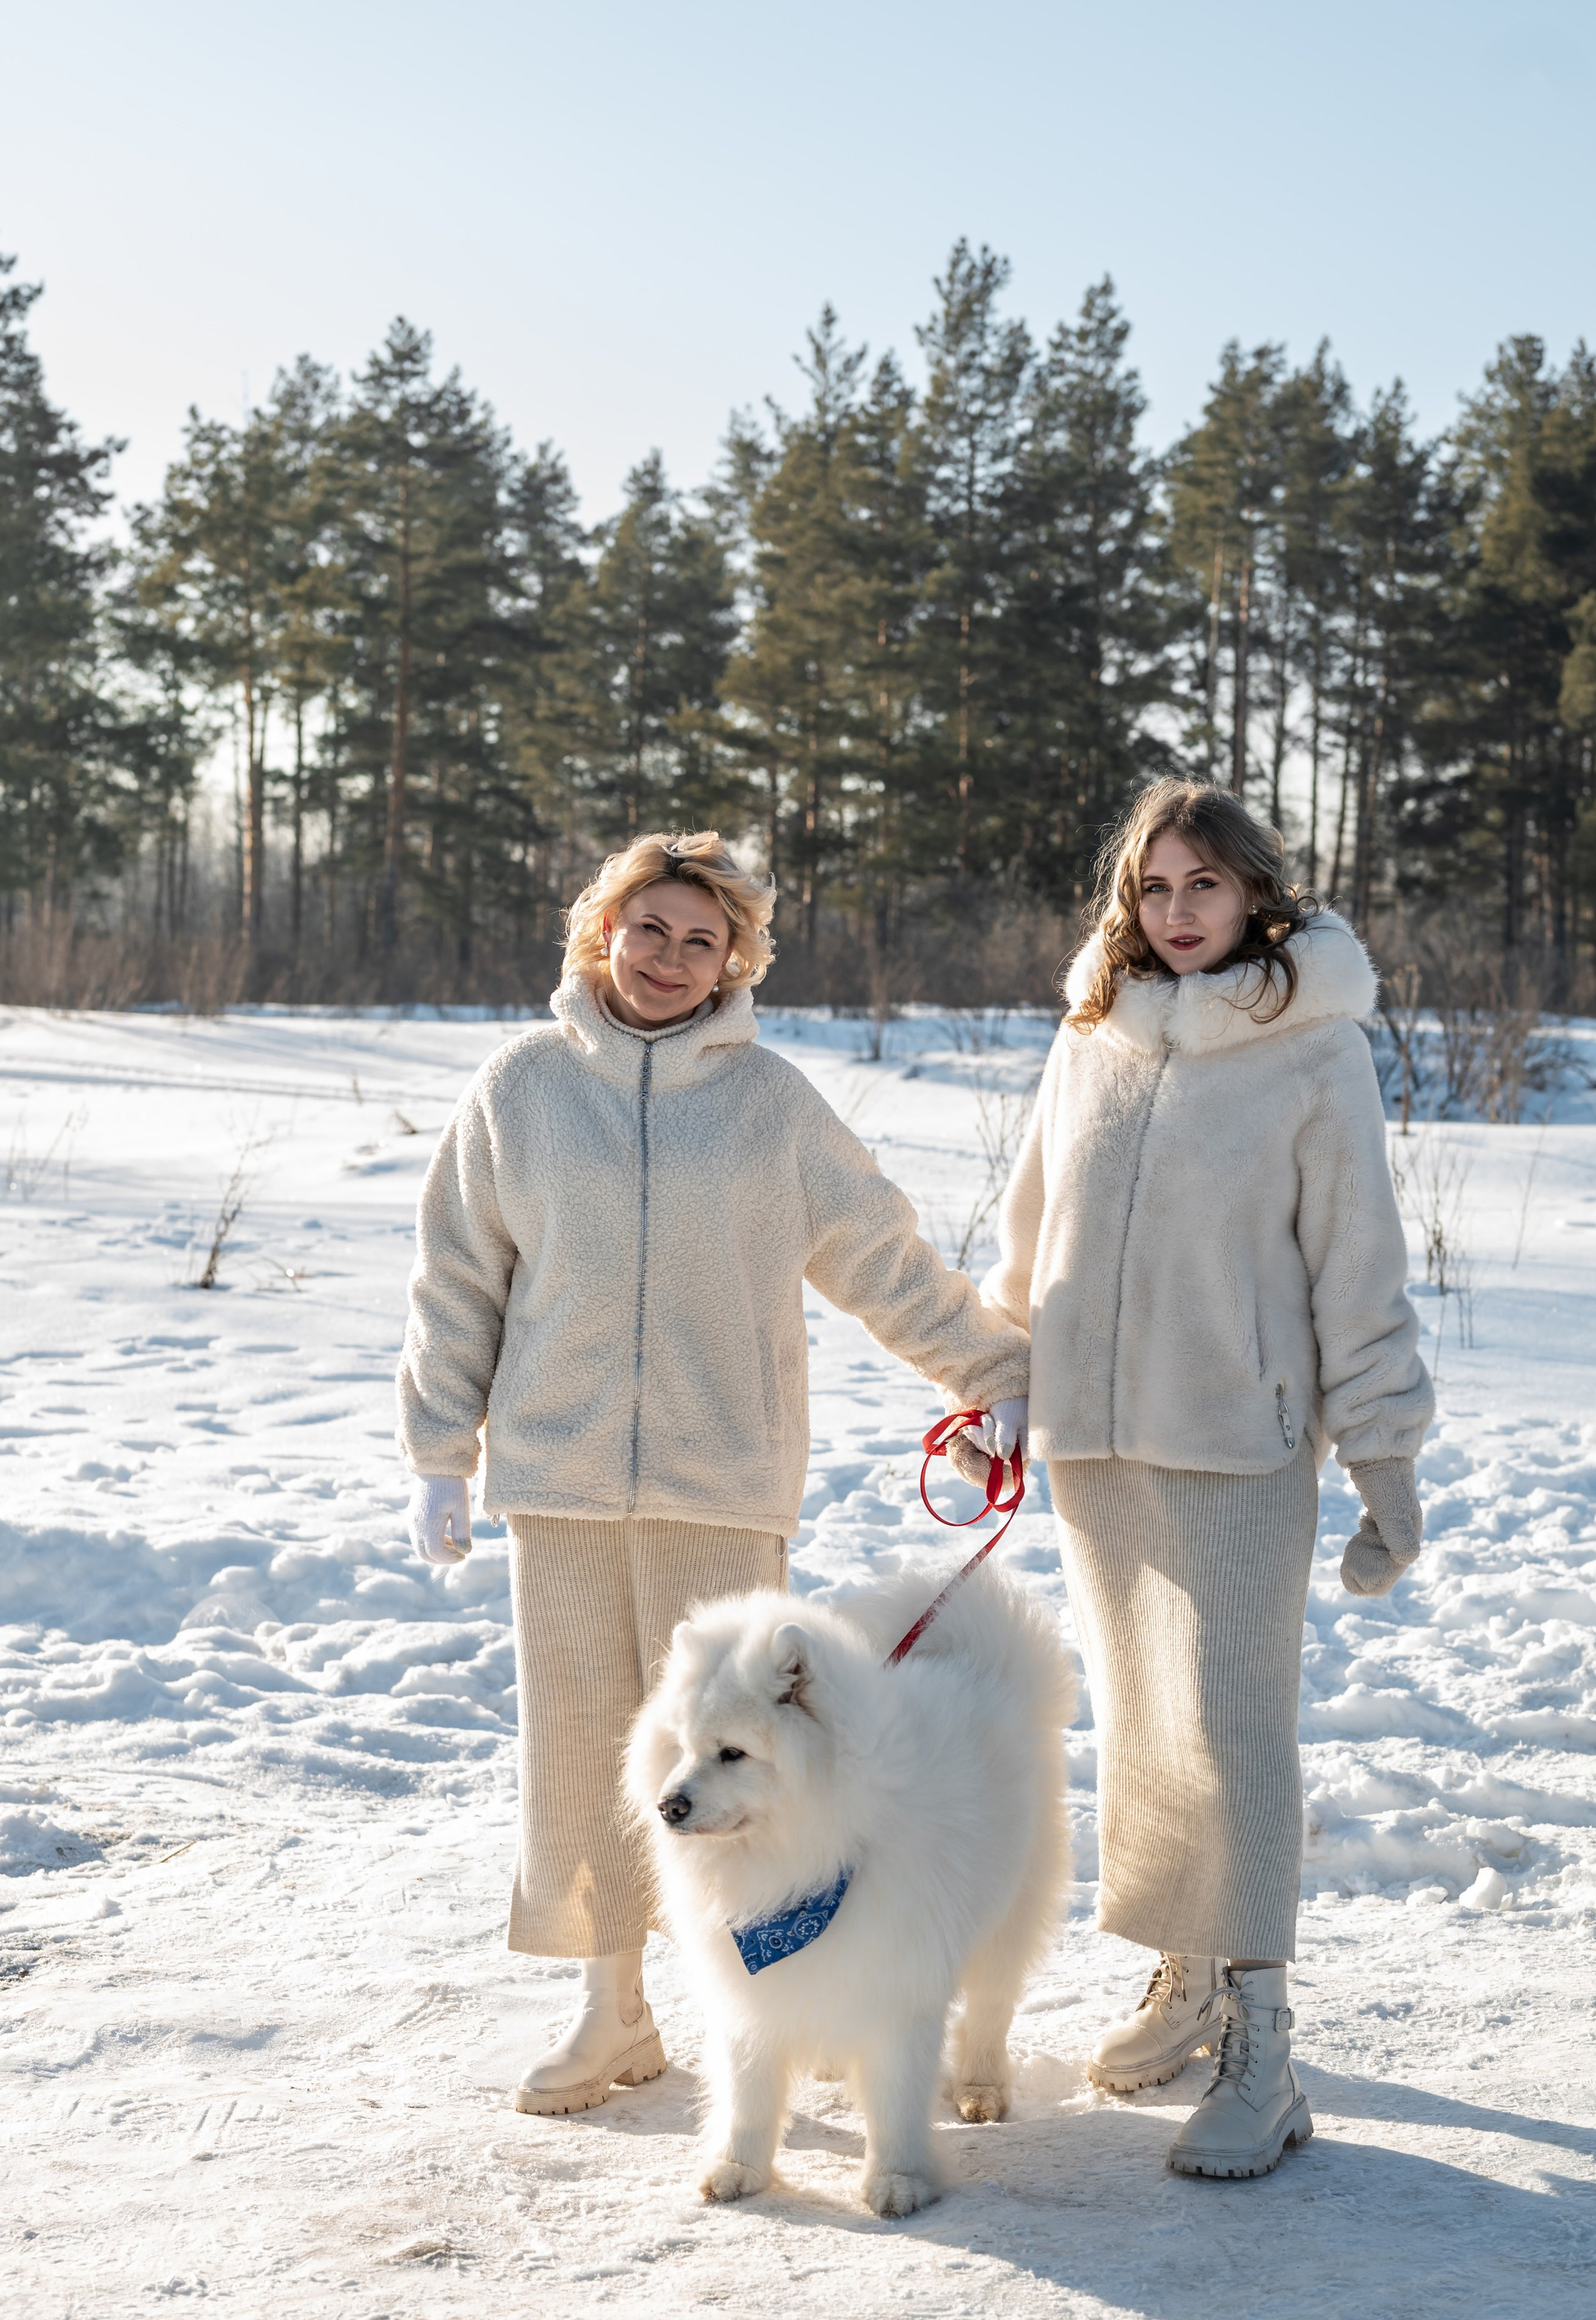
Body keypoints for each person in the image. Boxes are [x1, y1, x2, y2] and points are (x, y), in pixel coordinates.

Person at [397, 829, 1029, 2117]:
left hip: (719, 1484)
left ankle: (814, 2008)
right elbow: (458, 1279)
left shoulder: (770, 1106)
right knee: (583, 1759)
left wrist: (988, 1369)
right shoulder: (518, 1090)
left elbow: (878, 1253)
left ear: (734, 958)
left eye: (702, 940)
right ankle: (610, 2010)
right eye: (651, 930)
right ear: (601, 932)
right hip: (562, 1488)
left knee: (757, 1760)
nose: (672, 958)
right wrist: (438, 1451)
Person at [969, 776, 1431, 2181]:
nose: (1176, 914)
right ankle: (1189, 1973)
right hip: (1096, 1444)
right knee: (1144, 1725)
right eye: (1153, 889)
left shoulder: (1309, 1050)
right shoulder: (1088, 1034)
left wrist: (1384, 1455)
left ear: (1254, 893)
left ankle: (1266, 2043)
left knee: (1233, 1736)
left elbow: (1354, 1264)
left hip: (1239, 1438)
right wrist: (997, 1384)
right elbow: (1026, 1226)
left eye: (1203, 887)